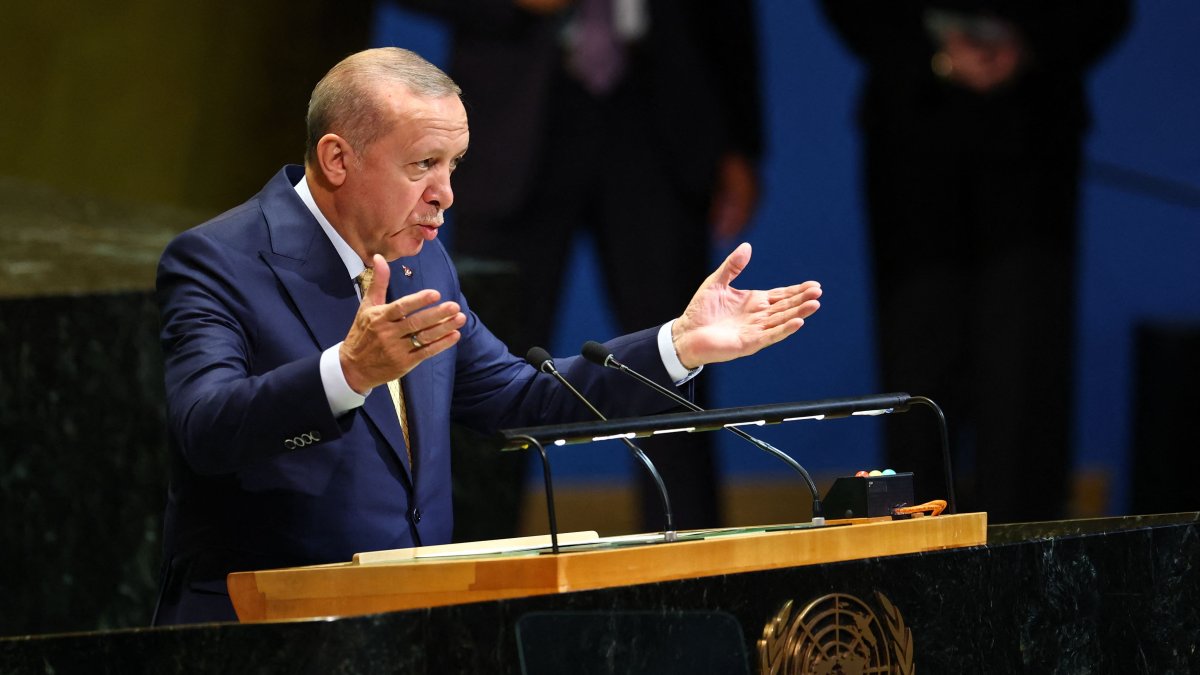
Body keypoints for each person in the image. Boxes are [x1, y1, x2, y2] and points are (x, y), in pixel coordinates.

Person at [151, 47, 821, 625]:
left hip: (410, 625)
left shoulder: (422, 261)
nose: (446, 194)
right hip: (262, 630)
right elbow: (205, 431)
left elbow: (522, 399)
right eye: (423, 165)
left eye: (455, 164)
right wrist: (345, 374)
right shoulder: (219, 260)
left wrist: (678, 345)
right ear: (336, 159)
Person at [394, 0, 764, 532]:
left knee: (683, 358)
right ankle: (468, 585)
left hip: (661, 115)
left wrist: (740, 141)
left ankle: (691, 589)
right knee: (484, 369)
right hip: (510, 119)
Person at [819, 1, 1129, 522]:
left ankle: (1025, 578)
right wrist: (934, 52)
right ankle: (917, 572)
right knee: (918, 375)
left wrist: (1027, 46)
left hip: (1033, 137)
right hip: (914, 136)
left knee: (1025, 380)